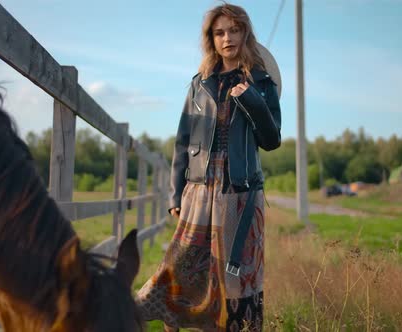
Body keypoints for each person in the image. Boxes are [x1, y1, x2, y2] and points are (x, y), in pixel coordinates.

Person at [137, 3, 281, 331]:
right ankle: (162, 317)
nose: (227, 38)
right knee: (180, 265)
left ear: (245, 33)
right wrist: (176, 194)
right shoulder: (199, 84)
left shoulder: (262, 82)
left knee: (237, 274)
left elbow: (272, 140)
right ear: (211, 39)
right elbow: (182, 141)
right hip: (199, 190)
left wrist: (254, 102)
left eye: (234, 30)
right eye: (220, 32)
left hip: (240, 192)